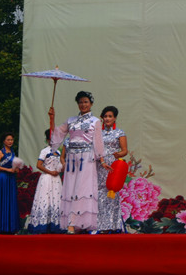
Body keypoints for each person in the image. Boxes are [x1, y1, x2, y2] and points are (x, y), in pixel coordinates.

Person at [49, 91, 104, 233]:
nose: (83, 104)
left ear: (91, 103)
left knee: (83, 189)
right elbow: (57, 134)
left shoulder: (95, 121)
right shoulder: (71, 120)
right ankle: (71, 223)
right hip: (72, 158)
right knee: (71, 188)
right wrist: (52, 118)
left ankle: (84, 223)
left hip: (87, 158)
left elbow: (98, 142)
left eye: (86, 101)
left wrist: (101, 159)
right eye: (80, 102)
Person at [97, 106, 128, 233]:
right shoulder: (98, 133)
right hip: (100, 164)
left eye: (110, 116)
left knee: (112, 192)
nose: (107, 118)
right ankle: (99, 224)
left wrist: (118, 154)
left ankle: (112, 224)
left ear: (115, 118)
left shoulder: (119, 133)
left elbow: (125, 150)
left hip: (113, 165)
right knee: (99, 193)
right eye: (105, 116)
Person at [27, 129, 65, 234]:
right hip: (47, 178)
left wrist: (60, 169)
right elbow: (38, 165)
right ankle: (42, 225)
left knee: (55, 200)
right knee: (45, 199)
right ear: (48, 140)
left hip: (56, 180)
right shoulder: (45, 151)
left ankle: (54, 225)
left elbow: (61, 165)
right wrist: (50, 171)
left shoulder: (58, 152)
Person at [0, 133, 20, 234]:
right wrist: (8, 170)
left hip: (11, 178)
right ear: (4, 141)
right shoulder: (0, 152)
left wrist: (15, 170)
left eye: (11, 139)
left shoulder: (12, 152)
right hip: (3, 178)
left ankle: (10, 227)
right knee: (2, 200)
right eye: (8, 140)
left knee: (10, 200)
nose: (10, 141)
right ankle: (0, 227)